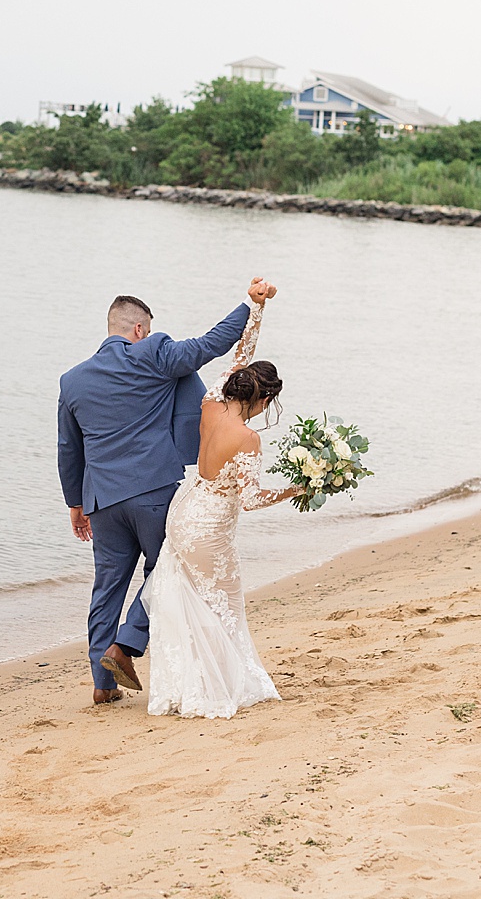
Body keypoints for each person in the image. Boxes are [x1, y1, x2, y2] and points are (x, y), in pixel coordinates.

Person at [58, 280, 273, 705]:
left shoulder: (72, 380)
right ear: (140, 329)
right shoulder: (153, 353)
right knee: (168, 572)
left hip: (101, 500)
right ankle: (127, 644)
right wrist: (252, 303)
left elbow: (69, 447)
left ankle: (103, 687)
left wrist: (75, 503)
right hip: (153, 492)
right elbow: (213, 343)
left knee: (107, 588)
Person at [142, 290, 305, 718]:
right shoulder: (248, 439)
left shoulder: (213, 403)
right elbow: (250, 500)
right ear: (263, 399)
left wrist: (258, 308)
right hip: (209, 528)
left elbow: (242, 353)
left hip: (185, 512)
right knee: (223, 605)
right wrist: (295, 490)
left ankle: (185, 684)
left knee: (188, 601)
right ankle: (218, 687)